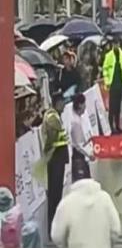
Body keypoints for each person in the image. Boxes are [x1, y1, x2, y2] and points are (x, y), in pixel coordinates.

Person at [41, 92, 69, 238]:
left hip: (57, 160)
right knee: (54, 194)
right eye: (62, 102)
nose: (64, 105)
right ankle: (53, 228)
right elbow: (53, 141)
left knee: (56, 193)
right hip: (55, 160)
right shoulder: (52, 117)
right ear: (57, 103)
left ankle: (54, 226)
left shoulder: (55, 116)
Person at [102, 37, 122, 134]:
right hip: (112, 83)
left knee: (118, 106)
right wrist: (107, 81)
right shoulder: (108, 55)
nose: (116, 46)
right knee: (112, 107)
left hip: (120, 83)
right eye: (115, 44)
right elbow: (105, 68)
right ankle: (111, 127)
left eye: (117, 44)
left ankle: (117, 125)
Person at [71, 94, 94, 182]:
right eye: (84, 104)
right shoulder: (76, 122)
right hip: (78, 158)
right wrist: (89, 155)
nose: (85, 106)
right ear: (80, 105)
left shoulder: (79, 119)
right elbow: (78, 144)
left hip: (81, 156)